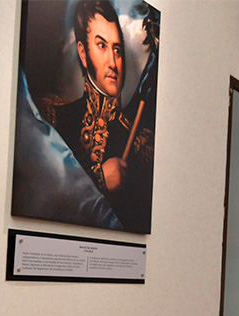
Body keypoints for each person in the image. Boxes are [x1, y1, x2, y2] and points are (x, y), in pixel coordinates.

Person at [37, 0, 156, 233]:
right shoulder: (53, 117)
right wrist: (99, 179)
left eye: (117, 50)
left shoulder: (140, 145)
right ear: (83, 53)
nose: (113, 63)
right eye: (102, 46)